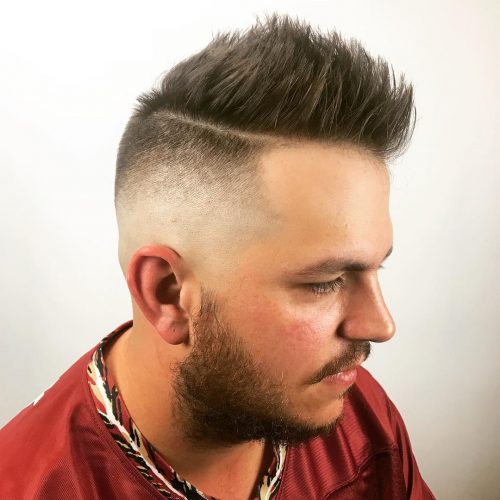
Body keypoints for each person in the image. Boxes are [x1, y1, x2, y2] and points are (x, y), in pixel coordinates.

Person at [0, 13, 435, 500]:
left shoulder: (357, 417)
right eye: (325, 281)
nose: (380, 325)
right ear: (168, 294)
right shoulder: (29, 486)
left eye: (376, 267)